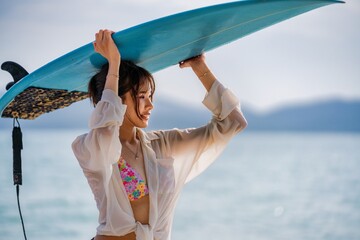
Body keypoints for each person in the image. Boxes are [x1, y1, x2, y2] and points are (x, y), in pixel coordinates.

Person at [72, 29, 247, 240]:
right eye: (141, 96)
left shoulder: (160, 145)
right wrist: (114, 63)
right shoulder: (89, 147)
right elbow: (106, 127)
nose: (150, 105)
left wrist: (200, 68)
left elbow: (233, 122)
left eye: (150, 96)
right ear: (118, 99)